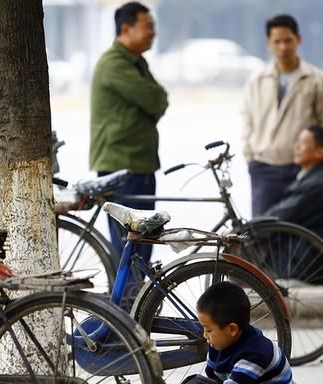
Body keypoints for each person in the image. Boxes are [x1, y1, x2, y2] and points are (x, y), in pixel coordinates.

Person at [89, 2, 168, 288]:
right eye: (148, 27)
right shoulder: (115, 63)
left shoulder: (137, 62)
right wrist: (154, 102)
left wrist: (155, 101)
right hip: (122, 167)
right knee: (130, 249)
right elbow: (154, 100)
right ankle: (124, 317)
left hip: (140, 165)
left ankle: (134, 310)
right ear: (126, 29)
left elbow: (159, 99)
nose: (153, 34)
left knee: (143, 246)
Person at [242, 14, 323, 217]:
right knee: (262, 232)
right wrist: (249, 156)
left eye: (288, 40)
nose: (283, 47)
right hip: (263, 167)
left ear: (298, 40)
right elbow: (246, 120)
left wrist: (321, 160)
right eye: (277, 42)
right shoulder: (257, 80)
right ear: (268, 43)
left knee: (298, 233)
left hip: (303, 170)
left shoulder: (317, 80)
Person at [183, 281, 293, 384]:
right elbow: (212, 378)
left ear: (232, 329)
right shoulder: (217, 344)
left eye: (208, 330)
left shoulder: (255, 355)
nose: (204, 335)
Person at [265, 125, 323, 256]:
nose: (296, 147)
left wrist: (244, 232)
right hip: (300, 249)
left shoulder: (317, 184)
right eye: (297, 142)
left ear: (319, 153)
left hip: (302, 257)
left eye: (302, 143)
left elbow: (281, 215)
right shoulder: (315, 176)